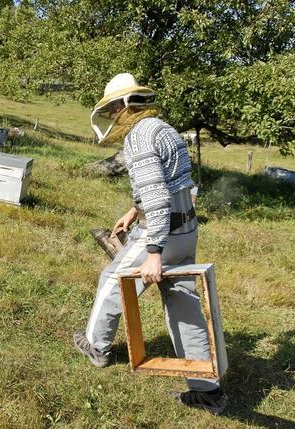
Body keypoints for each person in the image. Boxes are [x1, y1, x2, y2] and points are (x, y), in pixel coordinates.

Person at [73, 73, 227, 415]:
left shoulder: (139, 137)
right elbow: (171, 183)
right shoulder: (163, 128)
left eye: (113, 108)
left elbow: (157, 197)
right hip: (186, 229)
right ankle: (207, 391)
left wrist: (154, 253)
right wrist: (132, 210)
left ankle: (96, 346)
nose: (112, 116)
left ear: (122, 106)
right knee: (183, 302)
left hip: (162, 232)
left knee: (113, 281)